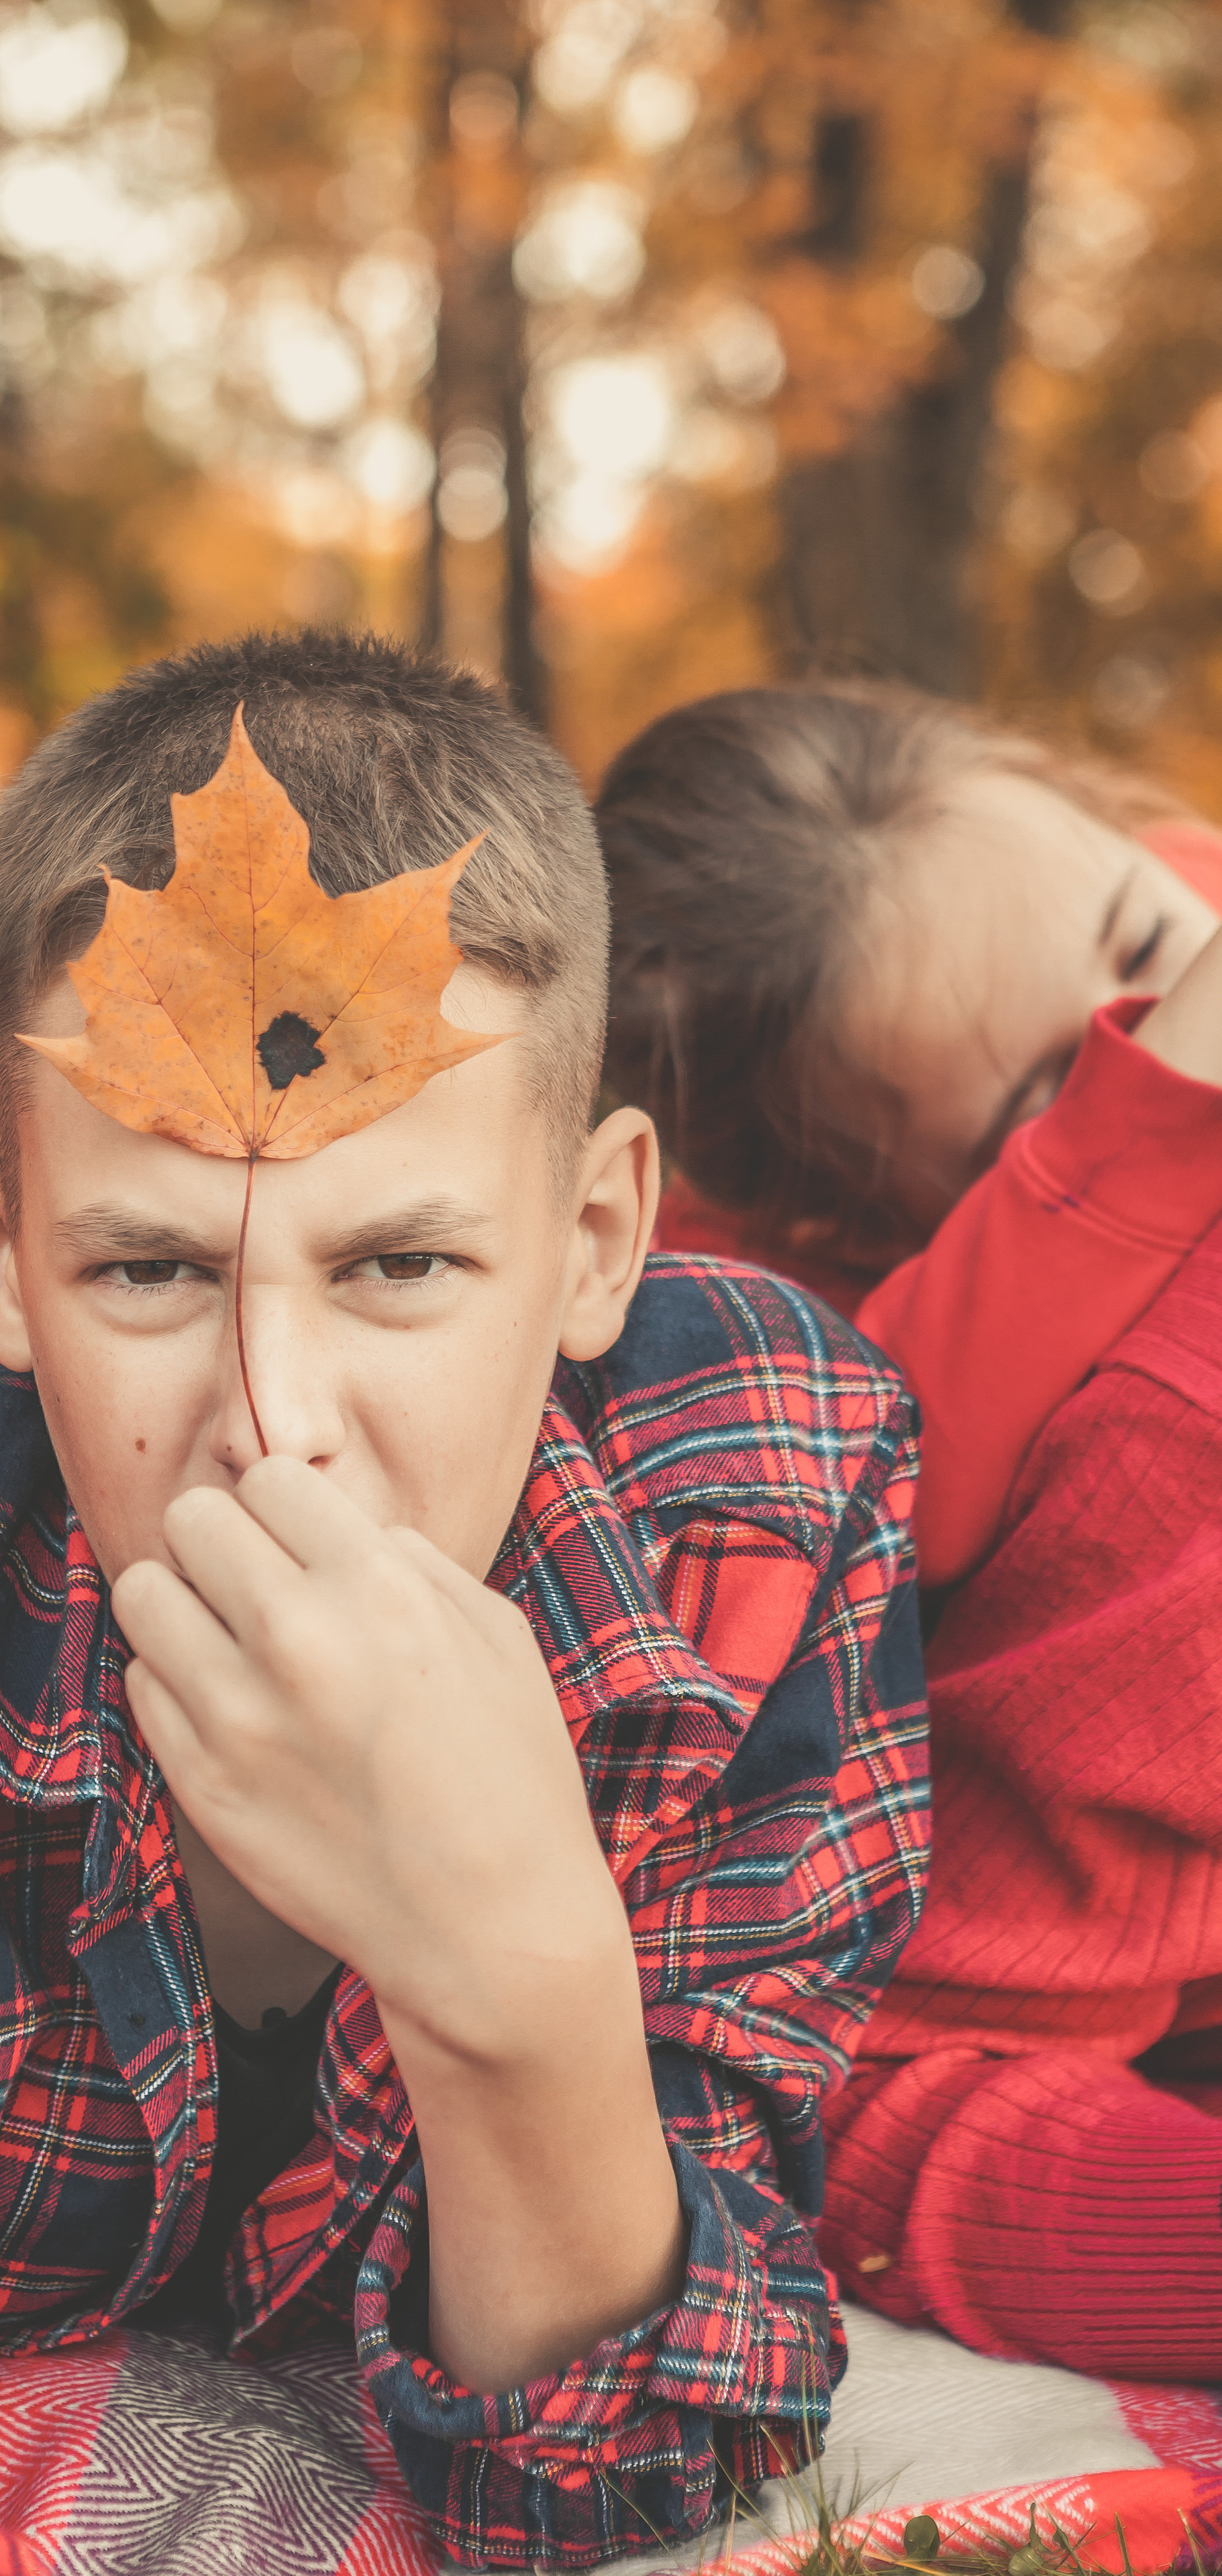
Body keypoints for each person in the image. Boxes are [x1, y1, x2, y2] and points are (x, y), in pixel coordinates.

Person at [0, 633, 927, 2576]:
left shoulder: (763, 1494)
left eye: (405, 1264)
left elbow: (633, 2470)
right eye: (150, 1274)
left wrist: (516, 1974)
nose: (275, 1434)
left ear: (597, 1240)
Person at [595, 680, 1222, 2379]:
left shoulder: (1163, 882)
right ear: (844, 1218)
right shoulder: (794, 1339)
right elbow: (875, 1446)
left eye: (1154, 949)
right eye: (1055, 1094)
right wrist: (1136, 1134)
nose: (1176, 1035)